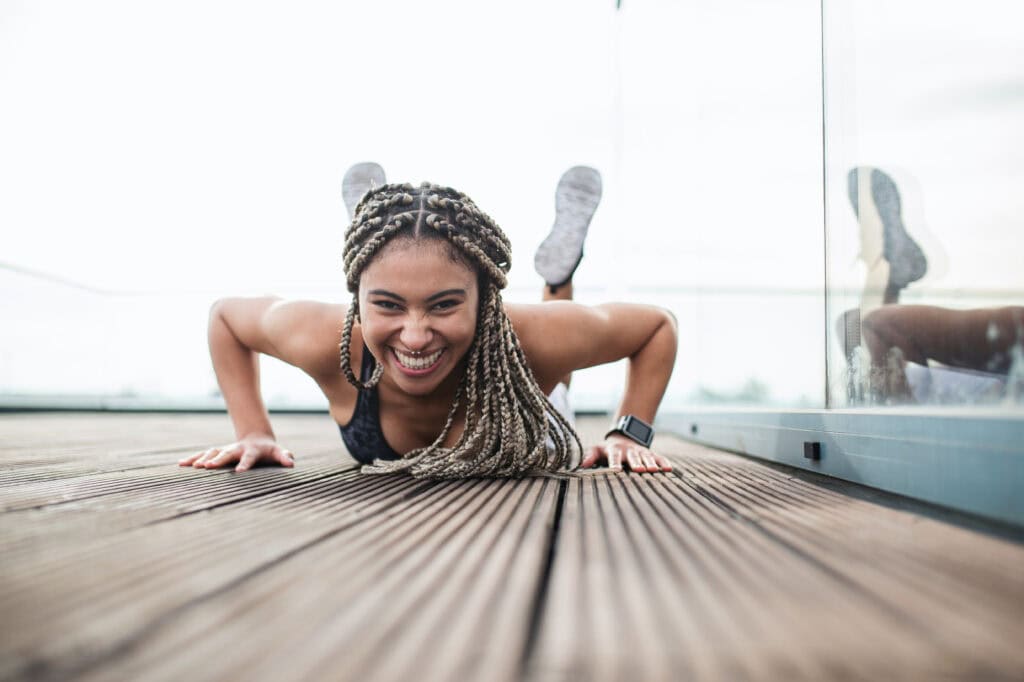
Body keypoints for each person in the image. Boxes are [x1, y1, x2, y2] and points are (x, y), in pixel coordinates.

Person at [178, 165, 678, 477]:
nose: (415, 336)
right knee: (545, 349)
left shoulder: (530, 333)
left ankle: (559, 277)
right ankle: (380, 233)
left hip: (531, 410)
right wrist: (253, 433)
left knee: (550, 371)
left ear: (485, 299)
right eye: (387, 304)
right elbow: (225, 318)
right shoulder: (324, 337)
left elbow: (657, 327)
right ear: (357, 295)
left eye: (443, 305)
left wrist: (628, 433)